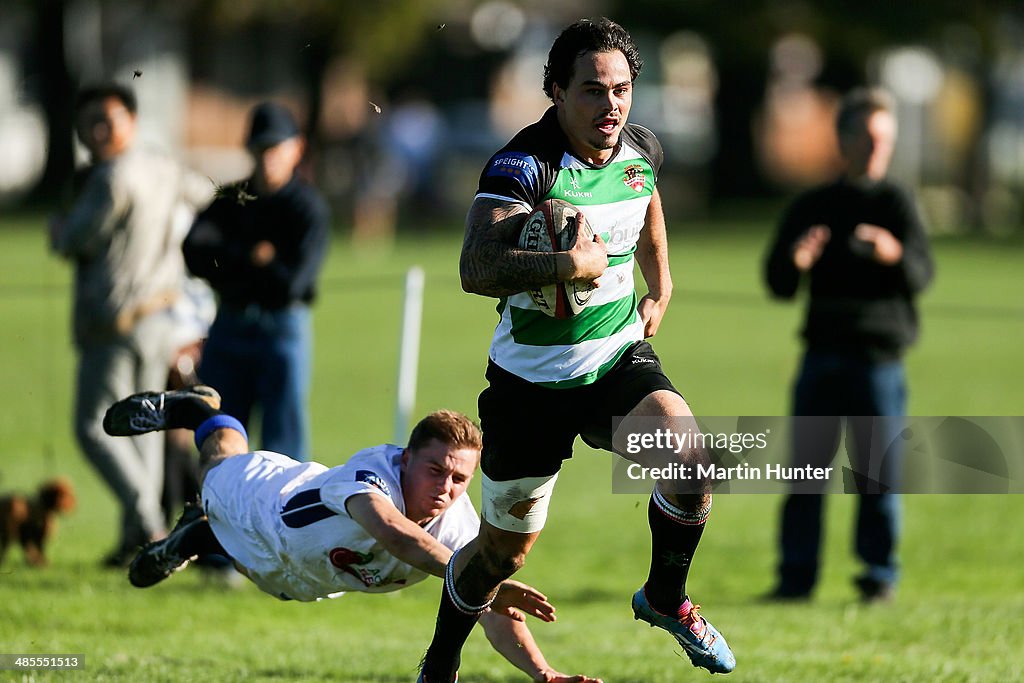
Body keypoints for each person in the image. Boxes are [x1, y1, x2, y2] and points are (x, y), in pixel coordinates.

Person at [418, 18, 736, 683]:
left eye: (621, 89)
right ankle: (441, 661)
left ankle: (665, 597)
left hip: (615, 361)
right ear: (556, 91)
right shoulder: (522, 164)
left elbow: (643, 198)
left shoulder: (638, 147)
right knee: (502, 554)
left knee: (690, 458)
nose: (610, 105)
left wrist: (662, 280)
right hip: (529, 385)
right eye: (592, 91)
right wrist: (570, 263)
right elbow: (476, 267)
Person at [102, 387, 600, 683]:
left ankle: (200, 538)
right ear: (405, 459)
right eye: (434, 470)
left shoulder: (462, 527)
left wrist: (544, 674)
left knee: (252, 568)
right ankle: (202, 411)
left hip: (301, 576)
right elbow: (393, 533)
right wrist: (464, 574)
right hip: (265, 503)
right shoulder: (373, 472)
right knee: (216, 463)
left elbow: (491, 610)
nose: (446, 488)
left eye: (459, 479)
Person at [763, 87, 935, 602]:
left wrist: (891, 252)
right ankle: (796, 579)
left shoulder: (897, 203)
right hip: (821, 357)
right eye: (867, 136)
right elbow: (776, 282)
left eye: (884, 138)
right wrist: (795, 264)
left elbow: (922, 273)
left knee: (878, 479)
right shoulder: (816, 205)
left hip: (878, 361)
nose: (876, 148)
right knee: (805, 477)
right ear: (844, 139)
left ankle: (878, 577)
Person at [50, 83, 213, 566]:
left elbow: (73, 238)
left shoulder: (109, 178)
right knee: (141, 426)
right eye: (89, 123)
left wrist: (59, 229)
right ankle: (139, 536)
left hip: (115, 319)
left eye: (108, 120)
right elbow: (206, 194)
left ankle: (148, 521)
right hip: (162, 313)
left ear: (131, 121)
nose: (97, 132)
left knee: (93, 426)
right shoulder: (164, 167)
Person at [183, 101, 330, 461]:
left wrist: (230, 261)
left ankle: (279, 516)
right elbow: (193, 252)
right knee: (219, 434)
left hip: (282, 329)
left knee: (284, 445)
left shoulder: (307, 207)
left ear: (297, 148)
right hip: (230, 325)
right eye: (260, 149)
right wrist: (254, 255)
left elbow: (292, 283)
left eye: (275, 148)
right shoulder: (233, 198)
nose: (268, 158)